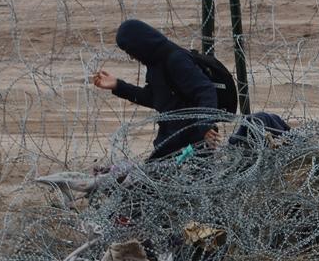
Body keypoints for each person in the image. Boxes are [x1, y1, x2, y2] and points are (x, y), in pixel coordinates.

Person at [92, 20, 222, 159]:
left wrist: (206, 125)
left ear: (141, 45)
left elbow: (205, 90)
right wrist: (118, 85)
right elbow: (155, 98)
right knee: (152, 176)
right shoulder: (155, 63)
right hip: (171, 137)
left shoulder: (176, 59)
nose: (132, 56)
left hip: (193, 137)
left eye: (132, 51)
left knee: (181, 178)